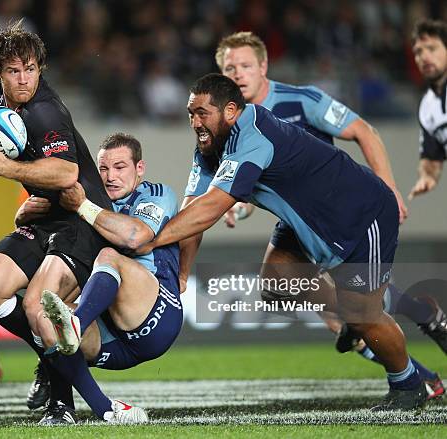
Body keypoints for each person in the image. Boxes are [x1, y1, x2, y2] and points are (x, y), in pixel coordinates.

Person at [142, 73, 429, 411]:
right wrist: (182, 273)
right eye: (191, 113)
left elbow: (212, 208)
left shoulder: (253, 137)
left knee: (365, 314)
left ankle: (408, 385)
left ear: (231, 111)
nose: (194, 122)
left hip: (360, 213)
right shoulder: (210, 145)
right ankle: (352, 315)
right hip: (307, 219)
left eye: (202, 113)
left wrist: (149, 242)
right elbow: (193, 206)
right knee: (277, 282)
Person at [214, 31, 447, 365]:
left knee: (351, 302)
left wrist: (389, 187)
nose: (237, 73)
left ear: (263, 66)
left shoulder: (300, 100)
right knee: (279, 289)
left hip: (342, 213)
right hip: (297, 219)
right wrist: (239, 207)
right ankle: (408, 327)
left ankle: (411, 364)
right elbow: (255, 185)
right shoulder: (232, 127)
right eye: (229, 68)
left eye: (245, 65)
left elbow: (363, 131)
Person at [0, 20, 113, 423]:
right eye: (13, 71)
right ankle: (50, 360)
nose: (24, 79)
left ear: (40, 68)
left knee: (38, 304)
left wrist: (8, 169)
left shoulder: (46, 111)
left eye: (31, 69)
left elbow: (66, 175)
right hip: (43, 217)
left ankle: (63, 406)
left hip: (80, 221)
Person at [20, 132, 182, 423]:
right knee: (44, 312)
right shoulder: (86, 199)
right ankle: (107, 410)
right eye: (103, 169)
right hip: (108, 341)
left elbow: (136, 237)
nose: (110, 177)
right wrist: (25, 215)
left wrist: (82, 207)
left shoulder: (155, 194)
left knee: (108, 256)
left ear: (139, 169)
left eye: (120, 167)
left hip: (156, 318)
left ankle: (70, 334)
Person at [409, 19, 447, 200]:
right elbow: (432, 157)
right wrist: (427, 176)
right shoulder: (427, 107)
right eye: (418, 52)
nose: (424, 57)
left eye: (431, 49)